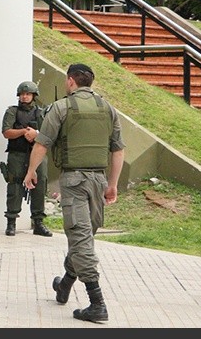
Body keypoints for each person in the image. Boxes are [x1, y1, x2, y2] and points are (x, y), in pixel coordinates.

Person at [23, 63, 125, 323]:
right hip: (99, 180)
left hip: (75, 181)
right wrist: (112, 184)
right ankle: (65, 284)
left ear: (70, 81)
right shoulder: (108, 108)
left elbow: (43, 143)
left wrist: (31, 171)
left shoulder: (61, 107)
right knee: (84, 236)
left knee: (81, 240)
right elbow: (118, 150)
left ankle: (97, 303)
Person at [0, 81, 52, 237]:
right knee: (15, 185)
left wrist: (35, 134)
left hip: (37, 153)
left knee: (40, 184)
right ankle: (11, 222)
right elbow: (6, 132)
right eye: (22, 94)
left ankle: (38, 222)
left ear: (34, 96)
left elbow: (48, 134)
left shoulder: (41, 113)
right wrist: (23, 132)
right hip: (17, 154)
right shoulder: (12, 112)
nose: (24, 97)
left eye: (28, 94)